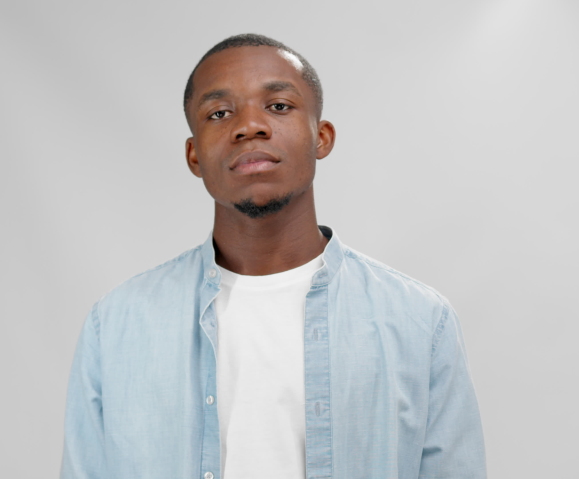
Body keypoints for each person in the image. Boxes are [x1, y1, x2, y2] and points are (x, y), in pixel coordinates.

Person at [60, 33, 486, 479]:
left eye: (278, 106)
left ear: (321, 137)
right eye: (220, 113)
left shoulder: (419, 320)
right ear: (194, 156)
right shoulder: (116, 325)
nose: (249, 127)